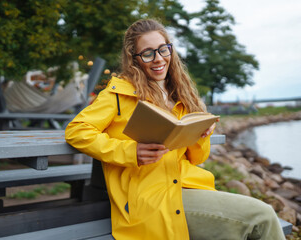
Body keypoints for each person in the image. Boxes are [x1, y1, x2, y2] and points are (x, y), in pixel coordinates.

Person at [65, 19, 285, 240]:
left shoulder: (181, 94)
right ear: (134, 59)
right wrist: (131, 152)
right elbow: (77, 131)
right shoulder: (117, 95)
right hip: (150, 198)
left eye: (163, 49)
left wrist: (201, 136)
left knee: (257, 219)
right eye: (148, 53)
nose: (159, 59)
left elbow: (198, 158)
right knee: (262, 217)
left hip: (188, 186)